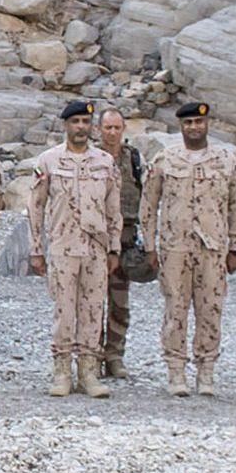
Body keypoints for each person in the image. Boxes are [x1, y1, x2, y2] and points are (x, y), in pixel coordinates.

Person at [140, 101, 236, 397]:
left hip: (213, 248)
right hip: (175, 247)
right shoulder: (165, 159)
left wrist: (235, 247)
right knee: (175, 309)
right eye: (188, 123)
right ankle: (176, 371)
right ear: (181, 127)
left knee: (210, 309)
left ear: (207, 124)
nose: (194, 128)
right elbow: (148, 206)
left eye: (199, 123)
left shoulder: (226, 161)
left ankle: (206, 371)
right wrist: (150, 245)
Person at [28, 101, 121, 398]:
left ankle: (89, 372)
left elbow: (113, 209)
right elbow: (36, 207)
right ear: (65, 125)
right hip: (62, 247)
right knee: (64, 310)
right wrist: (36, 249)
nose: (80, 127)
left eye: (85, 121)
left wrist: (114, 249)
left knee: (93, 310)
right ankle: (61, 371)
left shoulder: (105, 162)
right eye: (75, 122)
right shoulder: (49, 160)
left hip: (95, 249)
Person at [98, 107, 145, 383]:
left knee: (119, 302)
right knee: (91, 304)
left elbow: (146, 198)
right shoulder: (90, 158)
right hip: (96, 240)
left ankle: (114, 355)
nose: (112, 133)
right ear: (99, 130)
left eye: (117, 128)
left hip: (125, 239)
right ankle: (91, 355)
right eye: (108, 128)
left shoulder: (133, 159)